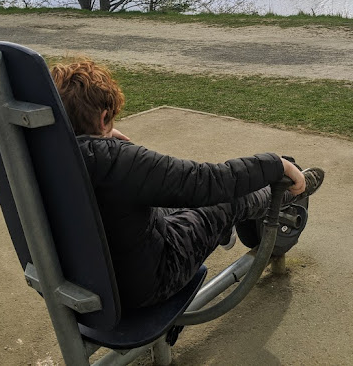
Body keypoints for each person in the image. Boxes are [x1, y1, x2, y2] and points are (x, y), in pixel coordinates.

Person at [50, 60, 325, 309]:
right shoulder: (117, 162)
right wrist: (273, 164)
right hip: (150, 282)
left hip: (89, 278)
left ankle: (223, 229)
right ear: (103, 117)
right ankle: (287, 190)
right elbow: (206, 181)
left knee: (174, 199)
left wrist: (101, 137)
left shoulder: (45, 157)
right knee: (223, 200)